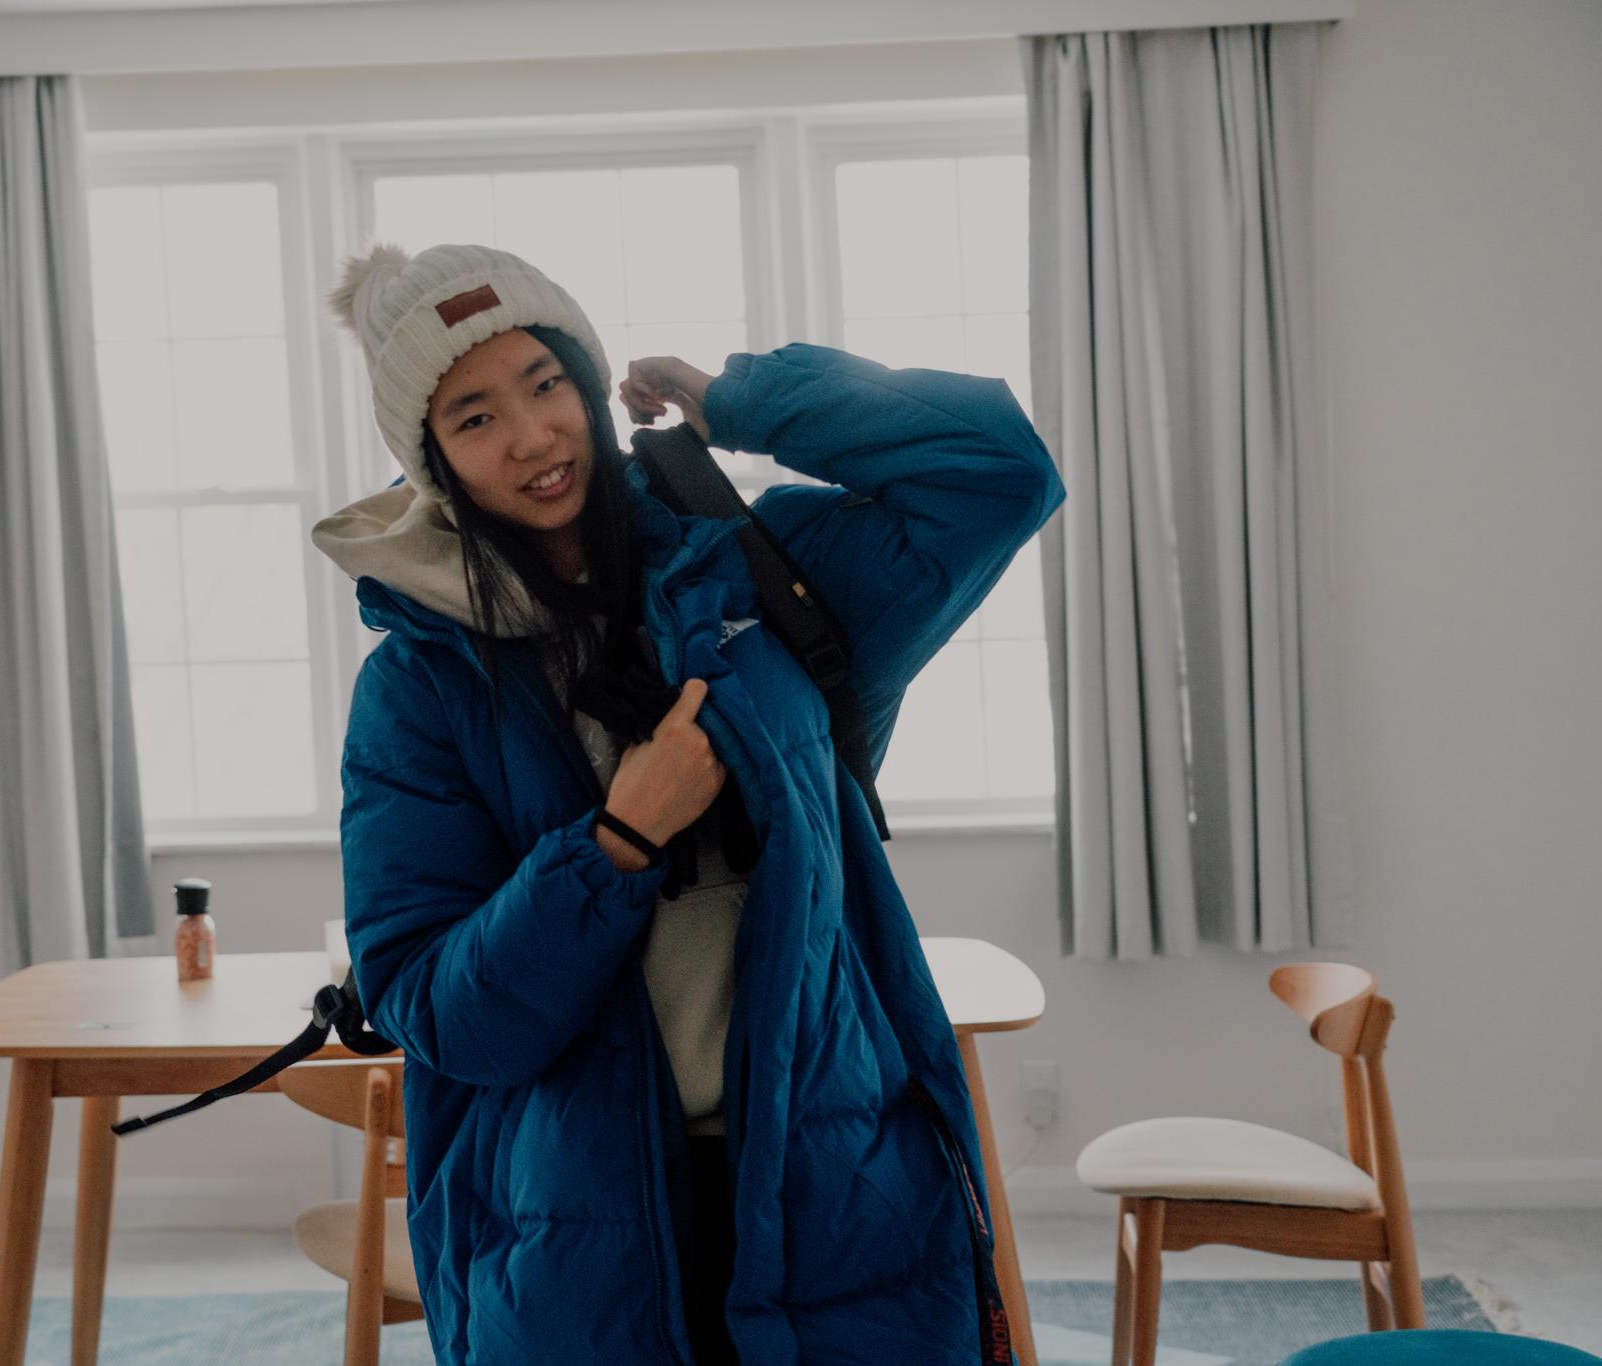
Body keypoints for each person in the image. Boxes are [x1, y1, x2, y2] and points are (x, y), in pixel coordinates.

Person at [313, 240, 1065, 1365]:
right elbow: (439, 1011)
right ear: (434, 463)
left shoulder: (764, 570)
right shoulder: (423, 687)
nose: (529, 436)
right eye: (472, 418)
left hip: (838, 1184)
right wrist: (618, 840)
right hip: (574, 1235)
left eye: (544, 382)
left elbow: (997, 471)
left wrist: (747, 402)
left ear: (585, 377)